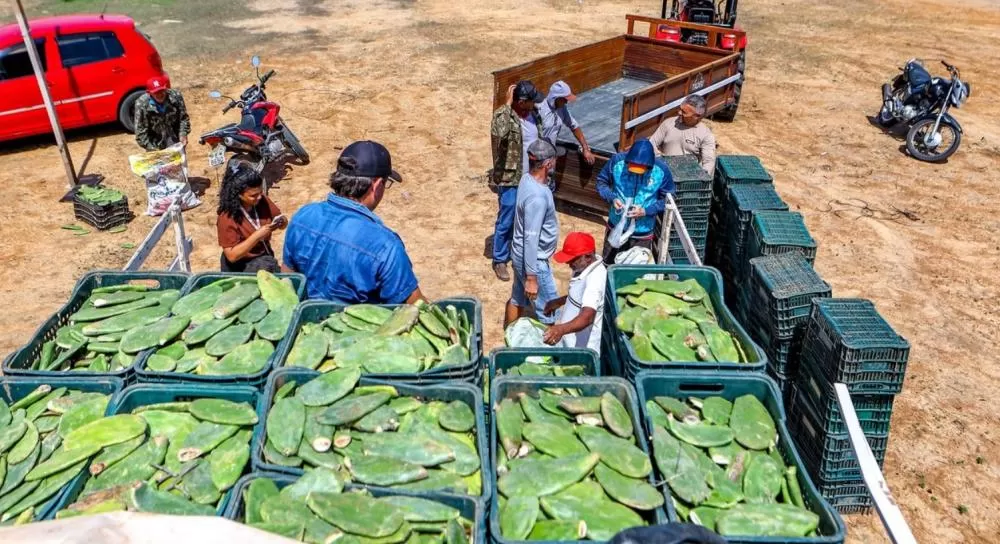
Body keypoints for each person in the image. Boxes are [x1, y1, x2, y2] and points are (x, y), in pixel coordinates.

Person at [283, 140, 425, 304]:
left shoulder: (303, 216)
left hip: (309, 324)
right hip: (357, 328)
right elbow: (416, 306)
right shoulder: (385, 246)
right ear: (377, 185)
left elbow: (288, 279)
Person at [490, 80, 545, 282]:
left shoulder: (534, 115)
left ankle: (518, 253)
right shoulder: (504, 116)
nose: (534, 104)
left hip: (531, 177)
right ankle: (500, 259)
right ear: (521, 102)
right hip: (510, 177)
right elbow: (498, 132)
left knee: (526, 217)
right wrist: (506, 104)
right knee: (506, 218)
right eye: (531, 101)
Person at [506, 140, 560, 327]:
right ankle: (549, 353)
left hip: (520, 255)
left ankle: (508, 337)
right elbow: (531, 239)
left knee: (517, 299)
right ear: (547, 164)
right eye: (553, 160)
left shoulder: (526, 179)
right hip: (533, 261)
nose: (555, 163)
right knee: (549, 311)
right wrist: (532, 278)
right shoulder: (537, 197)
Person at [596, 138, 676, 264]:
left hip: (642, 232)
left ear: (650, 165)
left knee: (636, 271)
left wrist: (646, 211)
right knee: (609, 265)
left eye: (642, 168)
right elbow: (601, 182)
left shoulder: (661, 170)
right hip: (616, 226)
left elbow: (668, 199)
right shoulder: (617, 162)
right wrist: (612, 198)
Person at [541, 232, 607, 355]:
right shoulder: (582, 267)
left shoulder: (595, 280)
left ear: (587, 256)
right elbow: (579, 296)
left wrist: (560, 329)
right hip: (569, 340)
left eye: (572, 259)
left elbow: (587, 317)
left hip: (582, 349)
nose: (568, 263)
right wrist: (559, 302)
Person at [216, 162, 285, 273]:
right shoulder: (227, 217)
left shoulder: (262, 201)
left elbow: (279, 218)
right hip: (240, 268)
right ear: (238, 195)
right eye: (253, 196)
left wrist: (282, 222)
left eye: (260, 192)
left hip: (264, 259)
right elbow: (232, 256)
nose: (259, 197)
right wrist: (257, 236)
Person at [649, 94, 717, 177]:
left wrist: (701, 179)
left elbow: (709, 162)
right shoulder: (668, 124)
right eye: (680, 109)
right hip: (664, 173)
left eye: (684, 112)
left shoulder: (706, 135)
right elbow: (651, 143)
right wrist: (660, 160)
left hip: (686, 177)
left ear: (696, 116)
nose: (679, 113)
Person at [538, 80, 596, 165]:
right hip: (537, 156)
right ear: (556, 98)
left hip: (550, 157)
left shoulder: (562, 109)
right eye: (565, 99)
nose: (566, 102)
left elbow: (574, 126)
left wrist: (585, 148)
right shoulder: (540, 110)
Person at [134, 75, 191, 151]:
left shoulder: (175, 96)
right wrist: (154, 150)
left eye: (161, 91)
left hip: (176, 141)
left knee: (180, 162)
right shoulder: (141, 104)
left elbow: (183, 118)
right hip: (155, 144)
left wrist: (183, 134)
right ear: (149, 93)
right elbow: (140, 133)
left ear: (166, 88)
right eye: (156, 92)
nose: (160, 94)